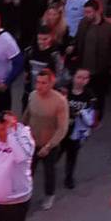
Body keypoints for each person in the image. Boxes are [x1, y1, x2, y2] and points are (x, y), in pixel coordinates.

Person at [25, 65, 69, 209]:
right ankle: (25, 195)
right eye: (37, 82)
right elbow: (27, 115)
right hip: (32, 142)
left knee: (49, 172)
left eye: (43, 83)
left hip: (49, 145)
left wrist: (49, 146)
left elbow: (62, 128)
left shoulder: (60, 101)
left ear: (51, 83)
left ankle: (49, 195)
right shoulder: (32, 95)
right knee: (27, 171)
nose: (39, 86)